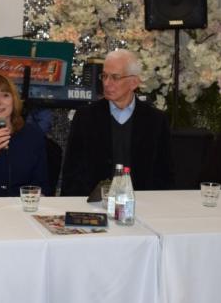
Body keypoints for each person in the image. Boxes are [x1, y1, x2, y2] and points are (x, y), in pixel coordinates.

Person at [61, 50, 173, 196]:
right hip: (94, 203)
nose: (107, 83)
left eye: (115, 77)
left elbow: (165, 174)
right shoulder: (85, 117)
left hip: (143, 203)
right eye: (104, 76)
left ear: (133, 82)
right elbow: (71, 173)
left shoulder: (155, 120)